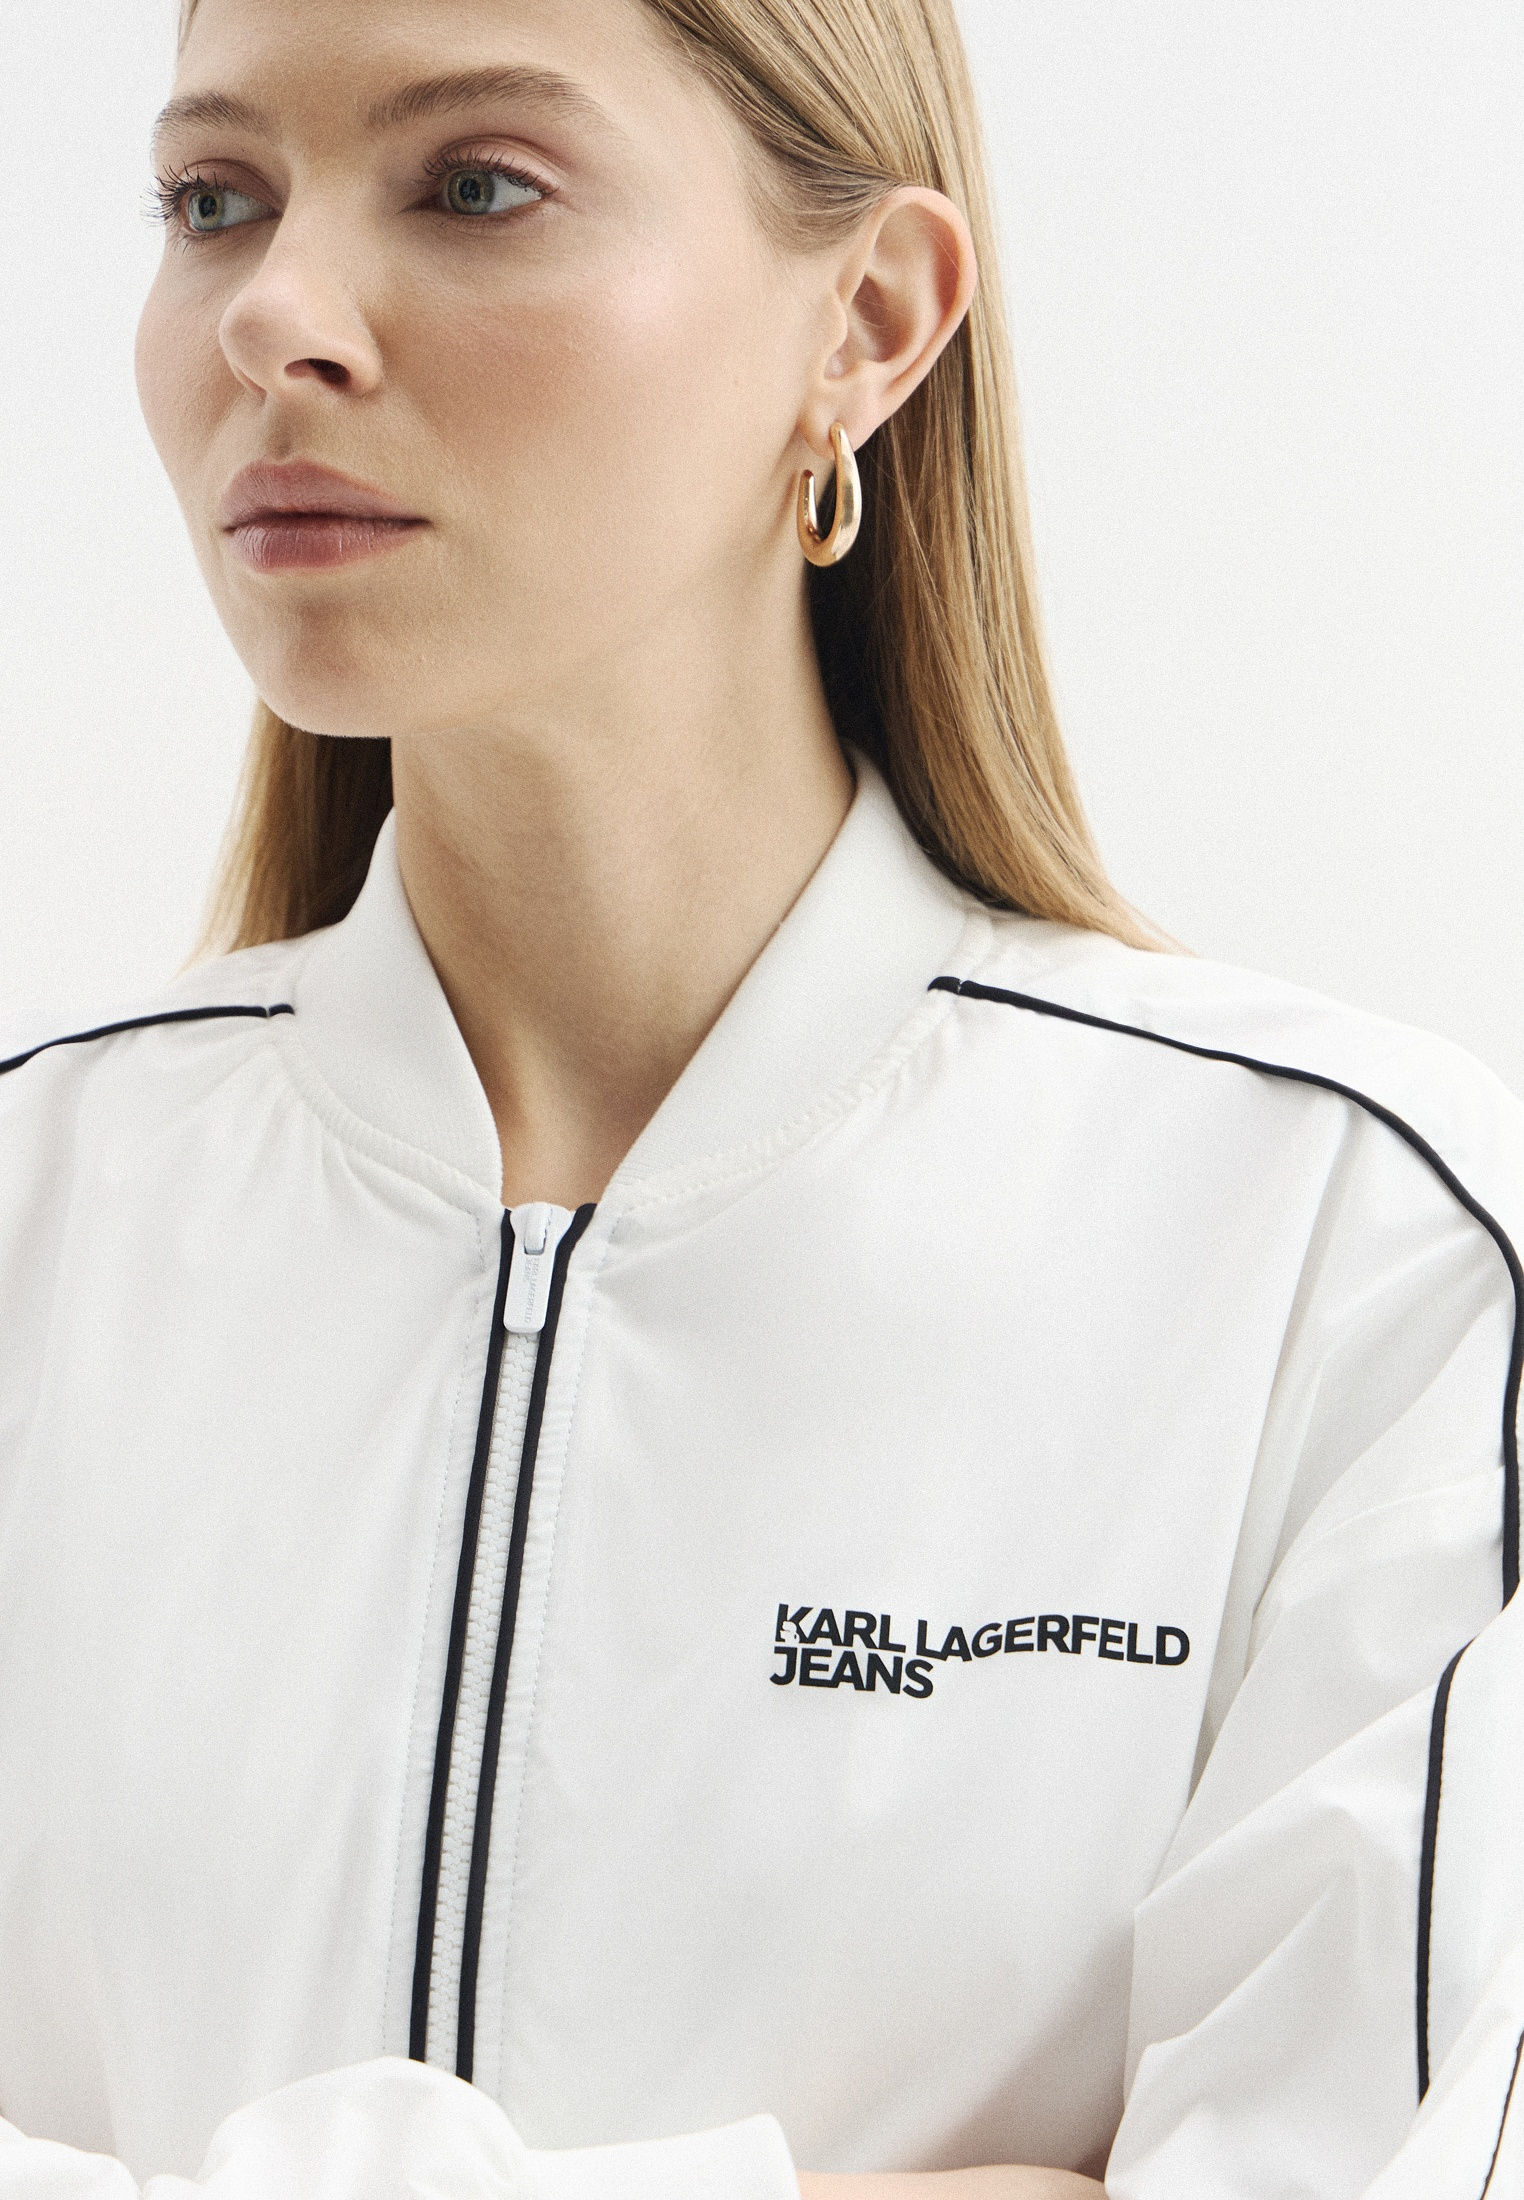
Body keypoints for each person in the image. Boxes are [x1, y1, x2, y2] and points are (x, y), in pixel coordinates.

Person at [0, 0, 1518, 2195]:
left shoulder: (1345, 1252)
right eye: (211, 198)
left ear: (868, 321)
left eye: (476, 184)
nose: (272, 315)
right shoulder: (33, 1212)